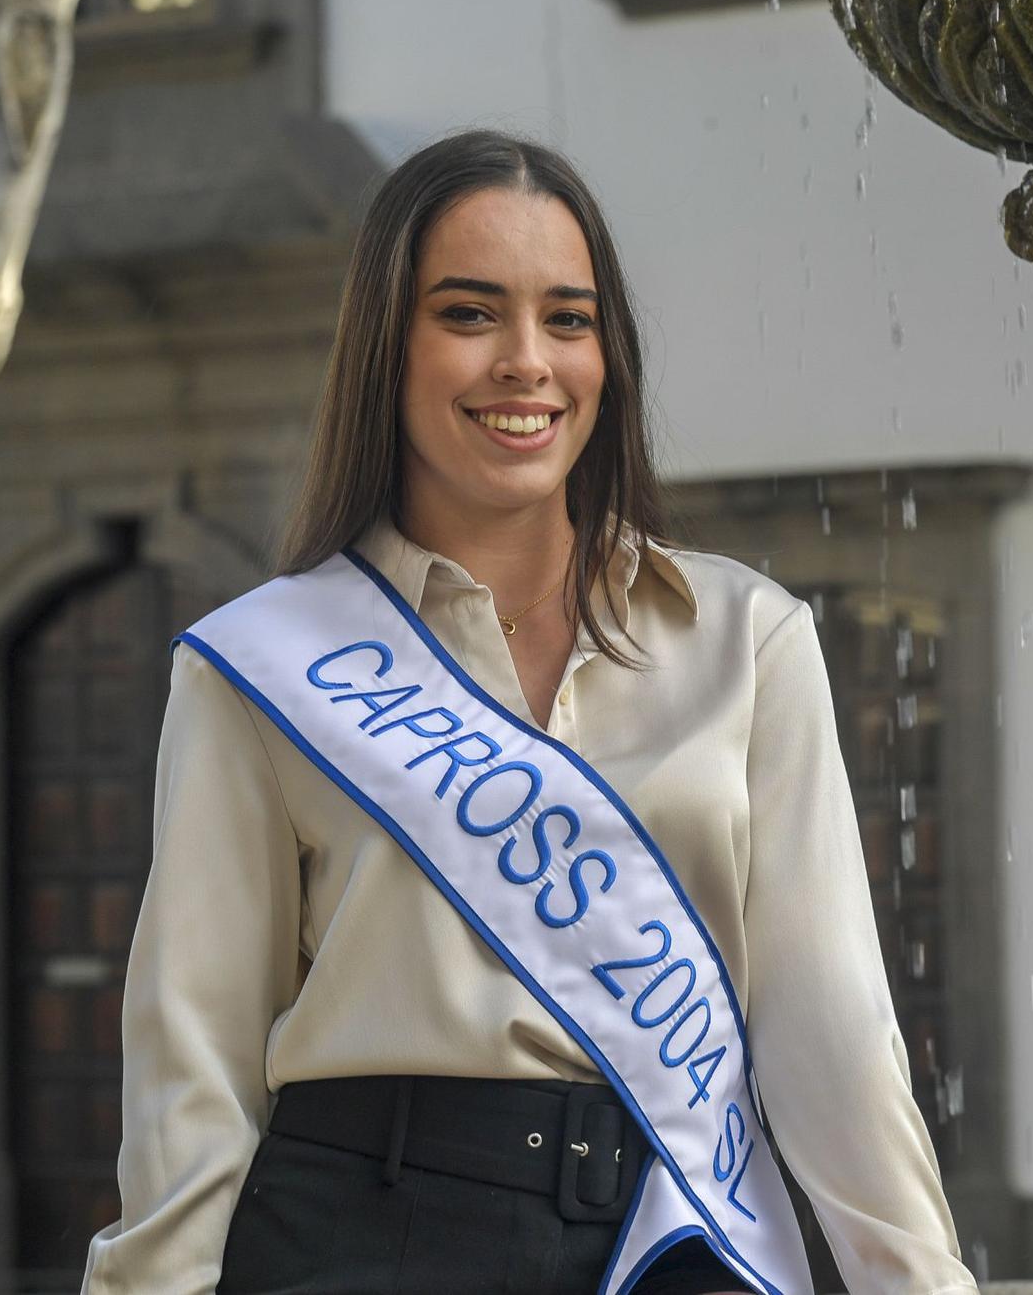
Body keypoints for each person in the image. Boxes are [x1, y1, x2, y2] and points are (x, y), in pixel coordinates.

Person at [80, 129, 979, 1295]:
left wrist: (916, 1277)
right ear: (384, 350)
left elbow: (834, 1029)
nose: (526, 361)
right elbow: (190, 1059)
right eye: (467, 314)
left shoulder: (746, 640)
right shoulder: (262, 662)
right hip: (366, 1232)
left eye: (566, 318)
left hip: (678, 1228)